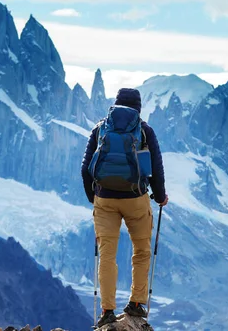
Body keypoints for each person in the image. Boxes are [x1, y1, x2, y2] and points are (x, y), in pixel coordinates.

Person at [82, 88, 169, 327]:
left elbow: (85, 167)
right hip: (136, 199)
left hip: (104, 200)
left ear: (116, 105)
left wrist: (95, 197)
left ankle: (107, 310)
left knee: (107, 254)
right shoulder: (144, 130)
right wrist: (160, 197)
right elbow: (155, 170)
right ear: (138, 108)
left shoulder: (100, 129)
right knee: (141, 250)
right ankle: (137, 303)